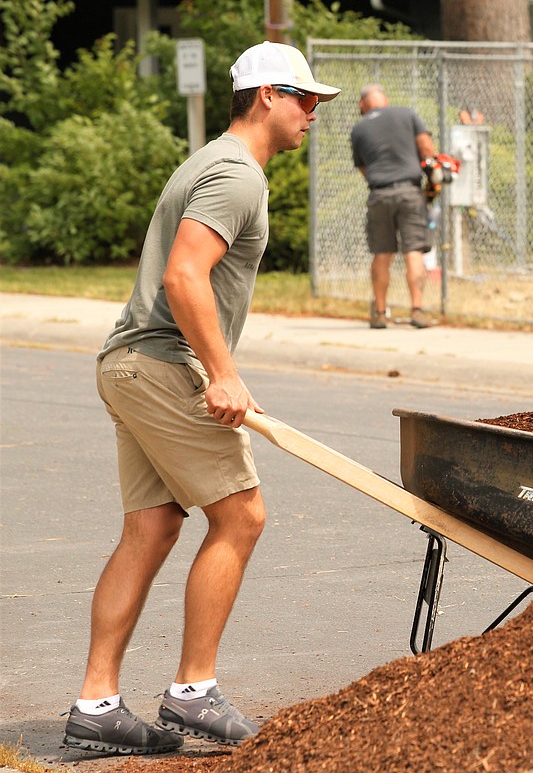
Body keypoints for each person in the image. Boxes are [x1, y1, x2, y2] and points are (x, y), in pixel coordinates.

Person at [62, 41, 339, 756]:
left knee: (150, 529)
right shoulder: (236, 175)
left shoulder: (213, 162)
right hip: (159, 363)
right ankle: (193, 691)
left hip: (130, 362)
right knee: (242, 515)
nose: (313, 115)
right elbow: (185, 277)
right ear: (268, 96)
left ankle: (97, 703)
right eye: (306, 100)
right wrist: (220, 371)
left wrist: (216, 368)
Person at [350, 84, 438, 329]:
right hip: (410, 191)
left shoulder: (358, 129)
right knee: (414, 251)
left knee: (382, 253)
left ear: (363, 105)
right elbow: (427, 149)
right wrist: (432, 179)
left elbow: (364, 169)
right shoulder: (407, 114)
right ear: (384, 99)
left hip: (379, 193)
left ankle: (379, 313)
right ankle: (417, 311)